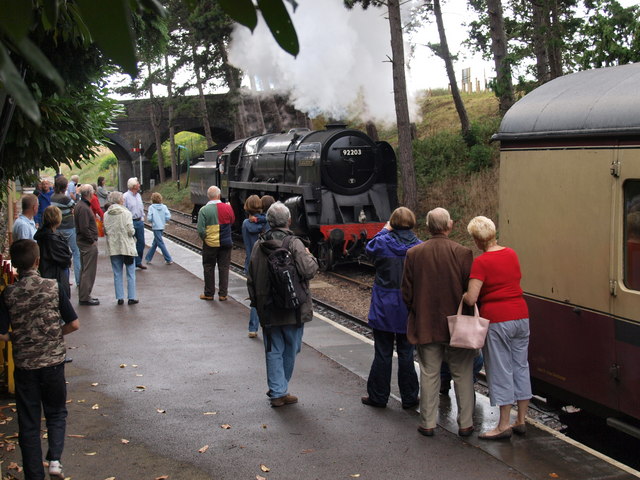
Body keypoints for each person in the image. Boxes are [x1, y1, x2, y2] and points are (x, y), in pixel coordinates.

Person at [0, 239, 80, 479]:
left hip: (25, 367)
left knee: (29, 421)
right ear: (37, 261)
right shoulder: (53, 287)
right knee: (56, 412)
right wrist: (54, 335)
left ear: (14, 264)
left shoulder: (9, 293)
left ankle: (34, 474)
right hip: (53, 363)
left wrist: (18, 337)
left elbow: (2, 334)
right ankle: (55, 459)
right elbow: (74, 323)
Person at [402, 207, 476, 438]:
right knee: (462, 374)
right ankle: (465, 424)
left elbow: (406, 292)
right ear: (449, 226)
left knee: (429, 373)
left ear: (427, 227)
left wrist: (417, 311)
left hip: (426, 323)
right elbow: (470, 291)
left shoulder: (414, 253)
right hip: (458, 326)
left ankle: (428, 423)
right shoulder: (463, 253)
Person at [463, 216, 532, 440]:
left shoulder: (481, 262)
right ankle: (521, 419)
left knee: (501, 369)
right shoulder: (511, 253)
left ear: (476, 239)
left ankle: (503, 425)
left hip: (498, 320)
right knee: (520, 365)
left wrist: (464, 294)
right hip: (521, 315)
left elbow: (472, 299)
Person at [247, 202, 319, 407]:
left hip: (268, 307)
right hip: (293, 307)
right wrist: (310, 255)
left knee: (273, 349)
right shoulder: (294, 243)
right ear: (289, 220)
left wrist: (256, 303)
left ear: (269, 221)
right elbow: (308, 270)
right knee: (291, 347)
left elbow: (251, 276)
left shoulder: (258, 244)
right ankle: (280, 389)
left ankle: (279, 390)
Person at [361, 207, 421, 409]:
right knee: (406, 353)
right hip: (408, 305)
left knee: (383, 352)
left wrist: (384, 229)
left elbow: (369, 249)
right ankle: (410, 397)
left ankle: (378, 396)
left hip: (384, 304)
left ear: (392, 223)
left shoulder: (381, 242)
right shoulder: (419, 247)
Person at [196, 186, 235, 301]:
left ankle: (209, 293)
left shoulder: (203, 210)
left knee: (208, 266)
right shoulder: (228, 208)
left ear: (208, 196)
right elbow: (232, 221)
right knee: (224, 267)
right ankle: (223, 294)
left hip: (210, 243)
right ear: (219, 195)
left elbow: (201, 230)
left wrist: (205, 239)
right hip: (226, 242)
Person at [104, 192, 138, 305]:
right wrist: (133, 233)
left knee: (117, 272)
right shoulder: (126, 213)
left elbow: (106, 230)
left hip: (113, 246)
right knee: (130, 272)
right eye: (122, 199)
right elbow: (130, 230)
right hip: (126, 246)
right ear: (120, 201)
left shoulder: (106, 214)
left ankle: (119, 297)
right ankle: (131, 297)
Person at [34, 206, 72, 299]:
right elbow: (64, 258)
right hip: (55, 276)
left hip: (46, 273)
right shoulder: (52, 238)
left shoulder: (42, 235)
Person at [242, 195, 267, 337]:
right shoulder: (266, 224)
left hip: (251, 263)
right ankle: (268, 326)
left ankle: (252, 328)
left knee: (254, 297)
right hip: (265, 263)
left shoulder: (245, 223)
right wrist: (261, 219)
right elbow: (269, 219)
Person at [51, 176, 81, 287]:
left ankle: (64, 279)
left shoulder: (52, 197)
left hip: (57, 228)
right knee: (76, 253)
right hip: (69, 227)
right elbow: (76, 206)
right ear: (65, 187)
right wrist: (77, 193)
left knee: (62, 254)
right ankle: (79, 280)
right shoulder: (65, 198)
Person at [74, 184, 100, 306]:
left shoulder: (81, 205)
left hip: (84, 241)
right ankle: (85, 297)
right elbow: (84, 228)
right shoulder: (84, 208)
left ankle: (85, 295)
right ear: (90, 194)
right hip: (87, 243)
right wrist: (92, 240)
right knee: (88, 271)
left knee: (85, 269)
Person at [123, 177, 146, 270]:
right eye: (138, 183)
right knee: (130, 243)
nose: (139, 185)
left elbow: (141, 207)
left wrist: (142, 217)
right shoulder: (125, 196)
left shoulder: (138, 196)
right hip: (130, 222)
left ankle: (138, 261)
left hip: (139, 221)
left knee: (141, 242)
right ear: (133, 186)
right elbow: (124, 210)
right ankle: (131, 262)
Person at [145, 192, 173, 265]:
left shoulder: (151, 207)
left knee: (160, 243)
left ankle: (168, 258)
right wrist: (164, 220)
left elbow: (149, 218)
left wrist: (152, 221)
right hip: (162, 226)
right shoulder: (164, 207)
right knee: (156, 242)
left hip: (155, 227)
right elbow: (168, 216)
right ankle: (148, 258)